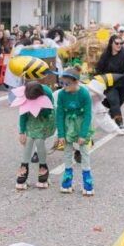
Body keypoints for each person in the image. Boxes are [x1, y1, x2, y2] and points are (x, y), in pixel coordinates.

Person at [54, 67, 93, 195]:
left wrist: (83, 134)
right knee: (67, 151)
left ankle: (87, 182)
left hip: (81, 123)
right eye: (62, 83)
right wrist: (61, 134)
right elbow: (59, 114)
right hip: (68, 124)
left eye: (67, 84)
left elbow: (88, 115)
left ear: (76, 82)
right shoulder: (61, 94)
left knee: (84, 152)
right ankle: (67, 180)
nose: (64, 86)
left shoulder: (84, 94)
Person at [11, 81, 55, 190]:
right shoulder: (25, 93)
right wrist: (22, 132)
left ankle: (42, 170)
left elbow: (49, 112)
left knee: (39, 142)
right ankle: (24, 170)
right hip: (30, 120)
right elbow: (22, 114)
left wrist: (41, 109)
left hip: (44, 120)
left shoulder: (47, 93)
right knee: (28, 141)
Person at [94, 34, 124, 130]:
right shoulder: (106, 55)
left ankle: (112, 114)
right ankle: (119, 123)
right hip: (110, 84)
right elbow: (99, 68)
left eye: (121, 43)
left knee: (118, 103)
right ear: (111, 44)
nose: (119, 45)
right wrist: (99, 79)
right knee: (114, 102)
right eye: (116, 43)